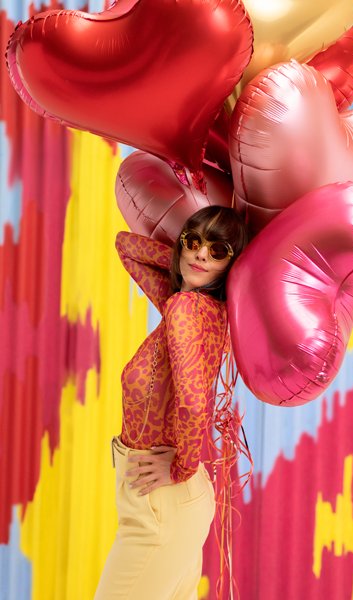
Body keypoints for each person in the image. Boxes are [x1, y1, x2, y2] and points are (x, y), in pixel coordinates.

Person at [95, 205, 248, 600]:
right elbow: (126, 246)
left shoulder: (182, 309)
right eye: (193, 242)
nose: (201, 255)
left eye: (218, 251)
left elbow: (195, 403)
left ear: (232, 264)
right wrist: (186, 262)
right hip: (177, 502)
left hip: (161, 504)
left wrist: (181, 467)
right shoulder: (204, 309)